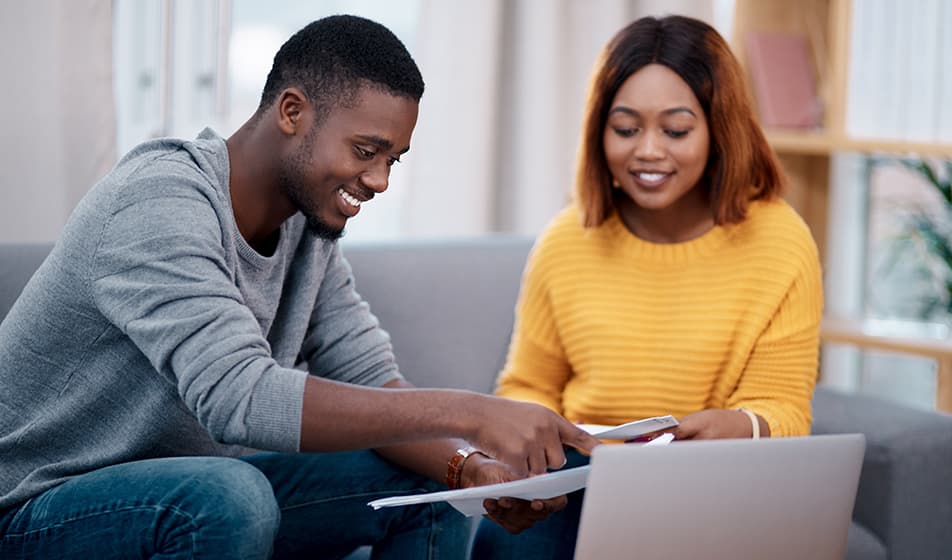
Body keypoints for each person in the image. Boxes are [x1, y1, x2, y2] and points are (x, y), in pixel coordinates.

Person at [0, 15, 599, 559]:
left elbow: (372, 379)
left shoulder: (305, 231)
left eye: (394, 159)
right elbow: (242, 398)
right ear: (292, 112)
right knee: (230, 495)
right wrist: (473, 411)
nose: (381, 180)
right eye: (367, 151)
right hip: (35, 508)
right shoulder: (159, 201)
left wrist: (469, 469)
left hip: (182, 492)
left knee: (426, 482)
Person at [471, 14, 823, 559]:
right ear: (599, 131)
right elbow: (527, 386)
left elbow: (784, 407)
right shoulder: (568, 239)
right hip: (582, 477)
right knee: (505, 539)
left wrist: (742, 424)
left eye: (676, 130)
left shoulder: (780, 241)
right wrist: (529, 452)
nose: (648, 151)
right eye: (626, 128)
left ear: (718, 130)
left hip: (716, 484)